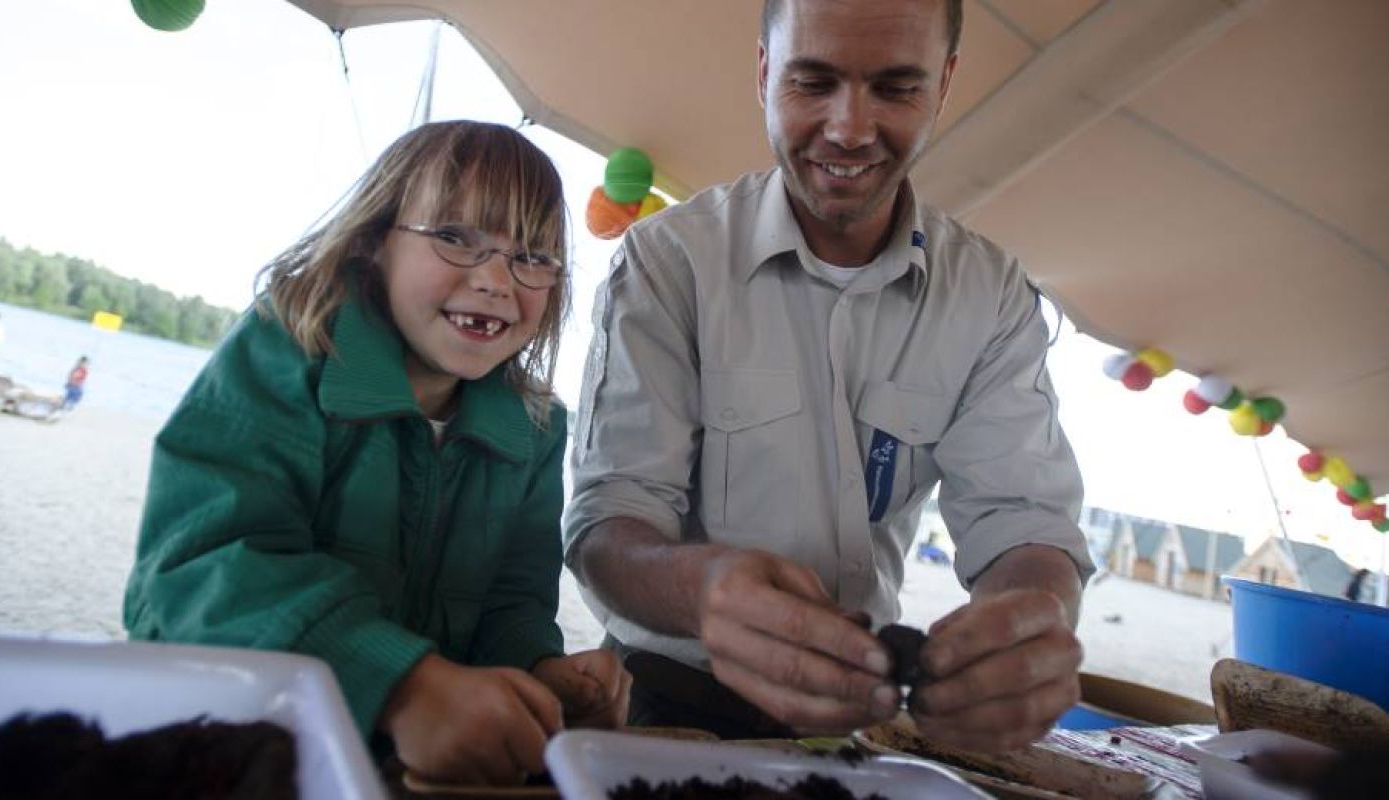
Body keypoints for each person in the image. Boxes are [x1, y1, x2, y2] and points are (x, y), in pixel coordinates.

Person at [565, 0, 1092, 752]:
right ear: (761, 72)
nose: (848, 129)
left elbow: (1024, 523)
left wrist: (1031, 619)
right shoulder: (668, 262)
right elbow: (605, 527)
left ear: (942, 85)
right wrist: (704, 595)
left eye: (895, 88)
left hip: (863, 723)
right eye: (812, 83)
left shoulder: (991, 293)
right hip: (665, 705)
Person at [124, 121, 630, 784]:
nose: (496, 279)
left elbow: (513, 602)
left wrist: (541, 671)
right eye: (454, 238)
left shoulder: (534, 428)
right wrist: (402, 686)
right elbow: (195, 570)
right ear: (373, 243)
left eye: (532, 256)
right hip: (232, 755)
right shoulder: (287, 355)